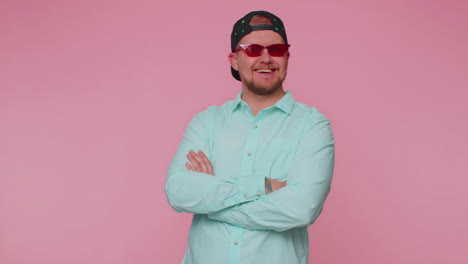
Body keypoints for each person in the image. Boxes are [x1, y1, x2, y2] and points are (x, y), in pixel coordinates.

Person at [165, 10, 335, 264]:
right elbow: (178, 191)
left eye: (276, 49)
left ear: (287, 57)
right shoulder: (206, 123)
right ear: (234, 59)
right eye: (253, 49)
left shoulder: (313, 126)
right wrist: (263, 186)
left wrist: (212, 204)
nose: (266, 58)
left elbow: (301, 209)